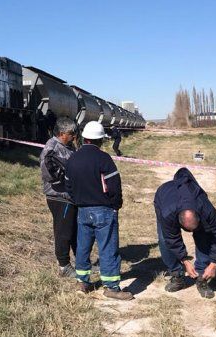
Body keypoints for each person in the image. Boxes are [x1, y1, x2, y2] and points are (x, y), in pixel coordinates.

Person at [66, 121, 133, 300]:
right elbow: (114, 186)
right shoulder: (104, 159)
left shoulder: (73, 159)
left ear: (84, 138)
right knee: (108, 248)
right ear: (101, 140)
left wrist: (78, 201)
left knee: (82, 247)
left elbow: (68, 186)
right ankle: (111, 287)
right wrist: (116, 204)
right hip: (104, 210)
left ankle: (82, 282)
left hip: (82, 211)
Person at [154, 168, 216, 299]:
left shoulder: (207, 210)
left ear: (199, 217)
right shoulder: (168, 213)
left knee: (204, 236)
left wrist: (214, 263)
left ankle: (202, 277)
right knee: (164, 240)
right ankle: (177, 275)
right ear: (179, 221)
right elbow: (172, 239)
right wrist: (185, 260)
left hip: (195, 205)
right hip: (163, 197)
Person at [39, 117, 78, 278]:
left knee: (75, 231)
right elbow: (49, 174)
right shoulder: (52, 149)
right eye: (71, 133)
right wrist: (70, 177)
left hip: (70, 196)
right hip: (59, 197)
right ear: (62, 133)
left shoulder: (68, 146)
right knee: (63, 232)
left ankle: (82, 263)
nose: (74, 136)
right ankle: (64, 266)